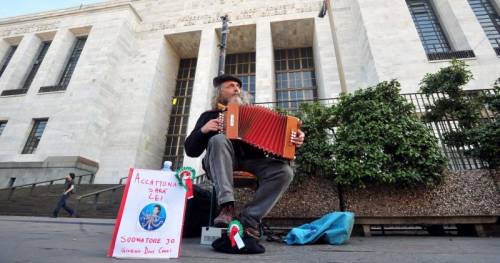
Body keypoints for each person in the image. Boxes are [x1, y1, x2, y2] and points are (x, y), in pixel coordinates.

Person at [184, 74, 305, 241]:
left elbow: (279, 141)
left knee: (284, 172)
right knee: (219, 139)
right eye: (230, 86)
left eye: (238, 86)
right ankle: (227, 207)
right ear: (220, 92)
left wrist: (295, 139)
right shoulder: (209, 116)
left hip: (252, 162)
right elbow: (191, 150)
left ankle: (249, 218)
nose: (236, 89)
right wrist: (203, 130)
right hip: (219, 162)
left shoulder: (256, 116)